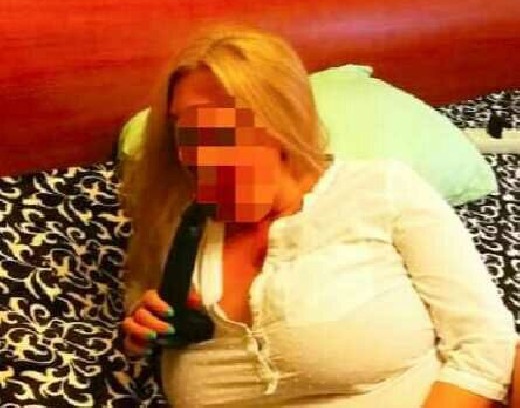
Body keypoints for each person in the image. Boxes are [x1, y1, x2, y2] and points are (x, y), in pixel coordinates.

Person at [120, 22, 517, 407]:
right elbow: (144, 319)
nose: (201, 151)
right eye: (185, 130)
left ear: (282, 121)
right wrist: (140, 332)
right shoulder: (176, 230)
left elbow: (486, 344)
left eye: (220, 128)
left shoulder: (383, 190)